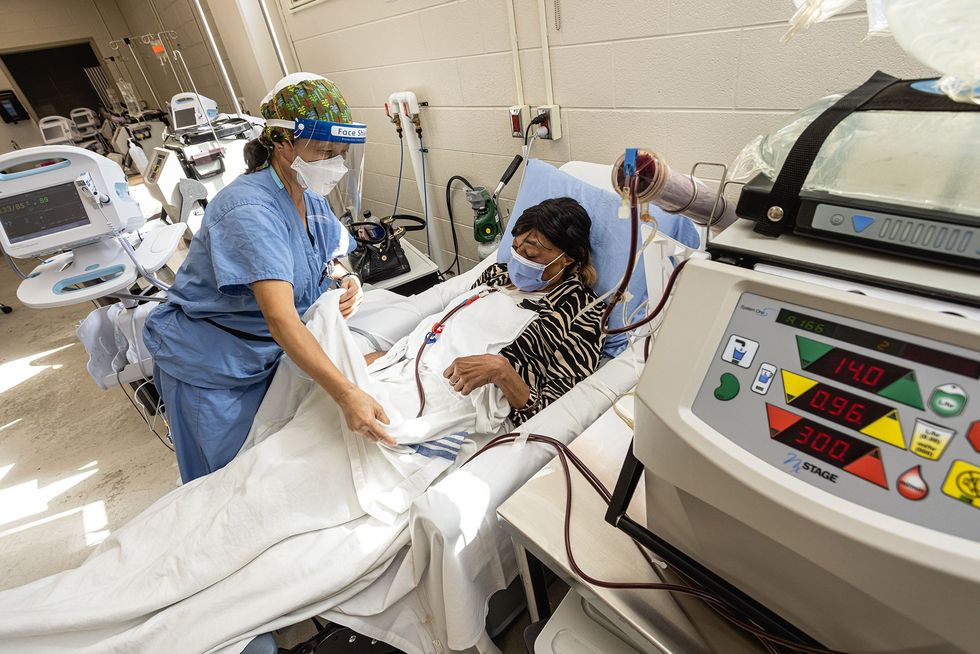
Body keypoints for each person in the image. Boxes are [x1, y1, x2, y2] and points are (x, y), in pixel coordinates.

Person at [144, 73, 392, 483]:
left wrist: (346, 278)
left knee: (270, 467)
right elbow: (280, 319)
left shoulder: (309, 198)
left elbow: (329, 253)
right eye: (321, 150)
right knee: (226, 481)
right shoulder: (250, 210)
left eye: (339, 152)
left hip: (264, 358)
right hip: (213, 368)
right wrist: (347, 394)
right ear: (281, 142)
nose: (333, 163)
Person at [366, 196, 605, 424]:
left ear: (568, 258)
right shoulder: (497, 273)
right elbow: (453, 324)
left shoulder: (583, 312)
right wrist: (395, 355)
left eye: (531, 254)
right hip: (406, 368)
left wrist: (501, 371)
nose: (518, 261)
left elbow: (555, 411)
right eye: (515, 249)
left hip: (454, 399)